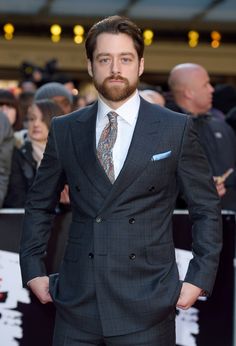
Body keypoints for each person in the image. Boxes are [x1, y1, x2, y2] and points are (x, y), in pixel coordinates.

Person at [20, 16, 222, 346]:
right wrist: (32, 269)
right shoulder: (66, 129)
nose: (115, 68)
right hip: (77, 299)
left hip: (148, 301)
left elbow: (206, 209)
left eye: (125, 58)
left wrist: (198, 278)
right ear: (90, 65)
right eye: (105, 59)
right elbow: (39, 203)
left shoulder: (176, 128)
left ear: (140, 65)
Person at [168, 63, 236, 211]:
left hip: (230, 220)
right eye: (206, 85)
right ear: (189, 93)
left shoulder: (223, 127)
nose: (212, 90)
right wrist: (194, 190)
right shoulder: (164, 128)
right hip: (184, 223)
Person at [3, 99, 64, 208]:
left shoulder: (68, 151)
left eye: (43, 119)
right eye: (31, 119)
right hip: (25, 218)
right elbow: (16, 199)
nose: (36, 124)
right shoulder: (17, 151)